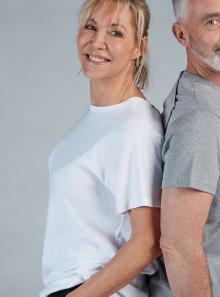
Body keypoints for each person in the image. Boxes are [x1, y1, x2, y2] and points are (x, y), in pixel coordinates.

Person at [40, 1, 163, 296]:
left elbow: (148, 241)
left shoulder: (136, 127)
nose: (97, 42)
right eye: (91, 26)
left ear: (139, 47)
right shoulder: (100, 117)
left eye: (116, 33)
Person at [149, 0, 220, 297]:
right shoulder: (202, 118)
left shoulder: (213, 94)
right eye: (212, 22)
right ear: (181, 35)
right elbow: (178, 246)